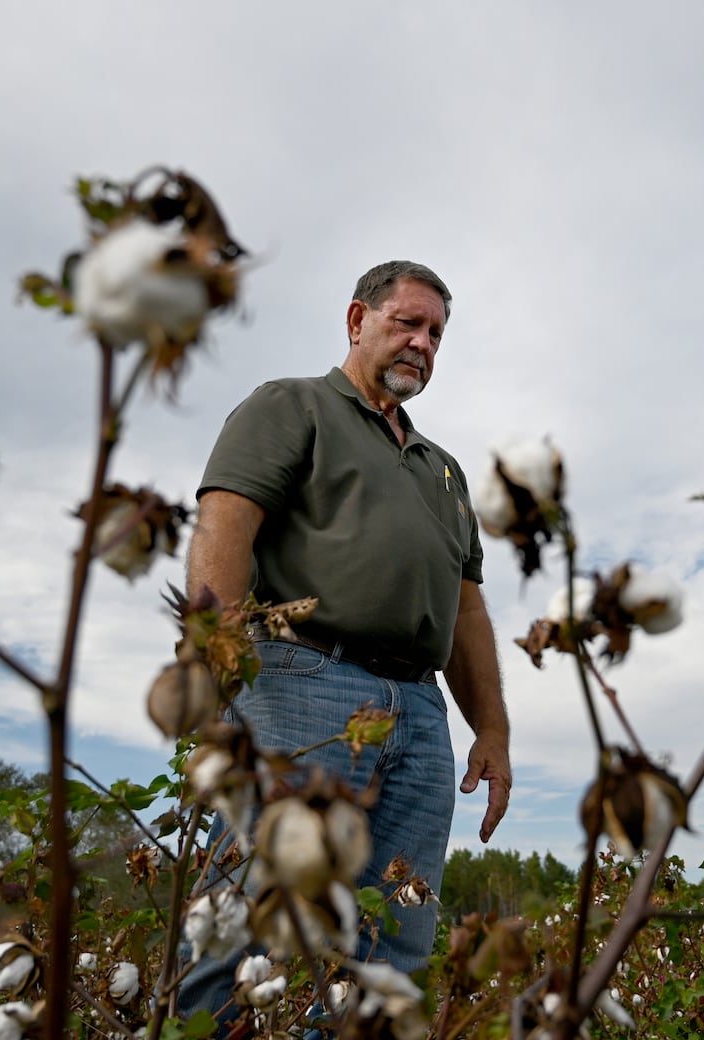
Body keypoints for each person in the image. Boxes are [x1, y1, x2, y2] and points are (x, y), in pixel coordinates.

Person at [177, 260, 512, 1016]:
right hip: (300, 681)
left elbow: (466, 615)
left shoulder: (443, 472)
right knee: (252, 918)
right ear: (357, 320)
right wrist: (215, 660)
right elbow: (227, 521)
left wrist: (490, 727)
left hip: (421, 718)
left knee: (393, 939)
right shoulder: (292, 406)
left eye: (436, 333)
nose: (423, 343)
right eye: (408, 323)